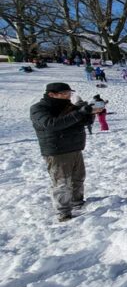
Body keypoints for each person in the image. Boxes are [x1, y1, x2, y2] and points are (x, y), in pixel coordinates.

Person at [30, 83, 101, 222]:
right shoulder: (39, 108)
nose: (68, 96)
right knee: (62, 182)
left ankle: (77, 202)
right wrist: (79, 113)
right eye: (65, 93)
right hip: (57, 151)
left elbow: (81, 122)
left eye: (69, 93)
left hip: (75, 147)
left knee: (78, 178)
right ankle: (63, 212)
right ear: (52, 94)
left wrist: (91, 112)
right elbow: (52, 124)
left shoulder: (69, 106)